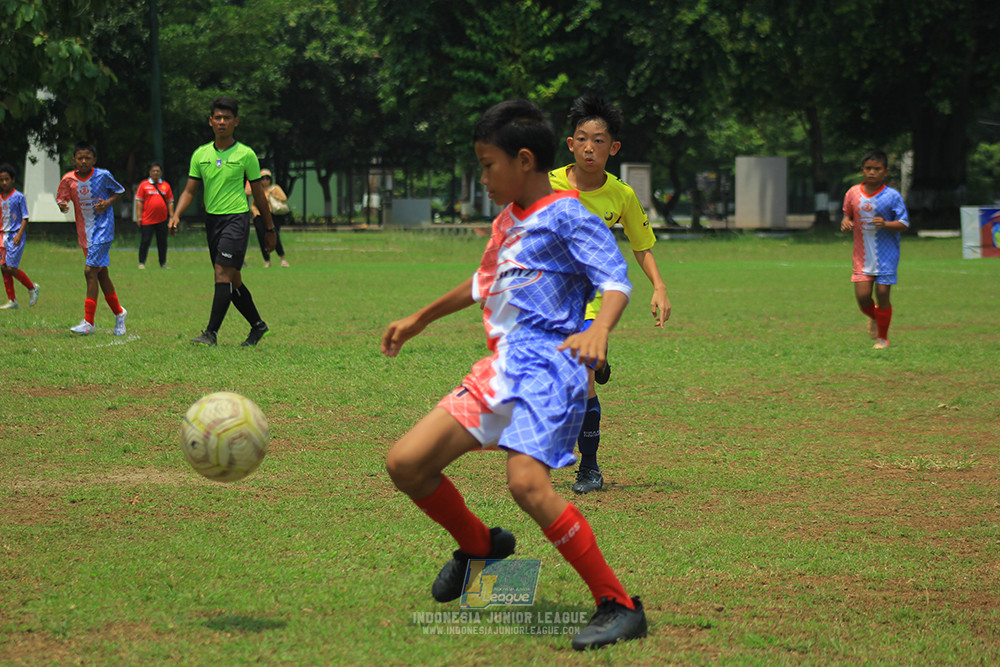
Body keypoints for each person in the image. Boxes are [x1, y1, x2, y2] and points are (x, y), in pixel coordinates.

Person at [382, 99, 648, 651]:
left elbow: (615, 279)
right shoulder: (506, 221)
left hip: (551, 369)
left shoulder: (571, 214)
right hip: (501, 369)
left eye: (488, 165)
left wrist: (600, 330)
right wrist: (420, 318)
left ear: (523, 160)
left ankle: (619, 604)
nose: (483, 179)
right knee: (406, 463)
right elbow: (482, 283)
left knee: (527, 484)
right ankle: (481, 546)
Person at [549, 94, 671, 494]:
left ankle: (589, 468)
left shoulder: (621, 195)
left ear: (613, 148)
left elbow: (641, 245)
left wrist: (659, 286)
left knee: (582, 377)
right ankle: (598, 360)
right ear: (571, 143)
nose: (590, 147)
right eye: (582, 139)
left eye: (599, 141)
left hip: (594, 296)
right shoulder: (546, 185)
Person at [168, 96, 275, 347]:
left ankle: (211, 333)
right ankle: (258, 326)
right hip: (212, 222)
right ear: (210, 121)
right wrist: (176, 215)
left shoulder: (246, 154)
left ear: (236, 121)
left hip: (236, 219)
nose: (222, 122)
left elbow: (259, 194)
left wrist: (269, 228)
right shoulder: (201, 154)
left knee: (221, 273)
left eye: (227, 118)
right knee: (233, 279)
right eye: (218, 117)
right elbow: (190, 191)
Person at [840, 150, 910, 349]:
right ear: (862, 170)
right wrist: (846, 221)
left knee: (882, 293)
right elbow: (848, 214)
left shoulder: (892, 196)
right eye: (868, 168)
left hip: (886, 255)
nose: (872, 172)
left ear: (885, 171)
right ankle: (875, 317)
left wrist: (886, 224)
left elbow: (904, 223)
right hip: (862, 255)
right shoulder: (853, 193)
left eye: (877, 169)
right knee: (863, 298)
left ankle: (882, 338)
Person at [56, 143, 128, 336]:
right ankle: (119, 313)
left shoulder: (103, 175)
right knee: (100, 274)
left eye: (88, 158)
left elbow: (119, 190)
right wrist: (62, 205)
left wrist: (107, 203)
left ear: (94, 160)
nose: (84, 161)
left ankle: (89, 322)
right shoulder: (68, 179)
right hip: (84, 233)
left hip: (103, 229)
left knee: (89, 271)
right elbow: (62, 198)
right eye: (80, 158)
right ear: (74, 160)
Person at [0, 164, 41, 310]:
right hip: (2, 236)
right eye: (1, 180)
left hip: (15, 235)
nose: (4, 182)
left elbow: (25, 217)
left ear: (12, 179)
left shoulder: (18, 197)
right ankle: (12, 300)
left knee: (11, 267)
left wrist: (19, 234)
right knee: (3, 267)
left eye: (7, 179)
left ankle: (32, 287)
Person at [245, 168, 290, 267]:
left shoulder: (275, 188)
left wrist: (272, 195)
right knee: (261, 237)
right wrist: (255, 213)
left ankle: (282, 258)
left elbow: (284, 198)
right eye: (262, 178)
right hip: (259, 216)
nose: (265, 180)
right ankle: (267, 260)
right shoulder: (257, 190)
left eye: (267, 178)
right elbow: (248, 195)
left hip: (273, 215)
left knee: (275, 235)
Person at [134, 162, 174, 269]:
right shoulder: (144, 185)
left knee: (162, 242)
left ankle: (163, 263)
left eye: (158, 171)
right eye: (153, 171)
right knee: (145, 241)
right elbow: (139, 201)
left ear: (161, 173)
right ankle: (141, 262)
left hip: (162, 219)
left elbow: (170, 201)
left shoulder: (166, 186)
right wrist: (139, 217)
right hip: (147, 220)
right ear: (149, 172)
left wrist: (171, 216)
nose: (156, 173)